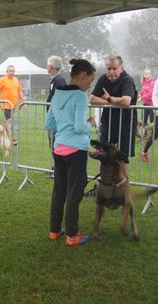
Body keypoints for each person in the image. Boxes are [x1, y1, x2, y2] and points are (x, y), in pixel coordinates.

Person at [45, 58, 97, 247]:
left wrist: (63, 125)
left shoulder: (57, 94)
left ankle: (54, 230)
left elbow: (48, 123)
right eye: (90, 80)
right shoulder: (80, 97)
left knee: (59, 191)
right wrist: (89, 125)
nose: (90, 85)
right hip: (76, 151)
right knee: (74, 194)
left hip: (58, 149)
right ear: (82, 77)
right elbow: (78, 126)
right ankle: (72, 235)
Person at [88, 55, 138, 176]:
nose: (111, 72)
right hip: (108, 124)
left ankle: (122, 188)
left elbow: (126, 102)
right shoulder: (103, 79)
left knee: (122, 158)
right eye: (108, 68)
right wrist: (111, 101)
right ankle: (100, 186)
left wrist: (109, 98)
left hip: (126, 124)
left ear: (121, 68)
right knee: (102, 154)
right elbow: (92, 99)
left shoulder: (127, 80)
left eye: (114, 68)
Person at [0, 65, 25, 145]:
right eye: (10, 71)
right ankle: (13, 139)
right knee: (9, 121)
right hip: (6, 105)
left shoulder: (16, 80)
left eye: (13, 71)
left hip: (13, 105)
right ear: (6, 72)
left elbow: (19, 91)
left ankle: (4, 135)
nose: (12, 72)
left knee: (7, 122)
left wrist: (24, 101)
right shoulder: (2, 80)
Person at [46, 55, 67, 154]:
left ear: (50, 67)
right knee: (53, 142)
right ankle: (56, 166)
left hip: (57, 118)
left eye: (47, 65)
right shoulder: (54, 79)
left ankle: (58, 167)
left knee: (56, 143)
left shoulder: (59, 80)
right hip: (53, 117)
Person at [138, 68, 155, 138]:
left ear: (151, 75)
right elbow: (142, 91)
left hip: (152, 105)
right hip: (145, 105)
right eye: (145, 73)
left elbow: (150, 93)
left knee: (152, 121)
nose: (146, 75)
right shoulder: (145, 83)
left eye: (148, 73)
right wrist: (139, 94)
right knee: (143, 121)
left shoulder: (153, 83)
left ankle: (154, 135)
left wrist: (141, 98)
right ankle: (144, 135)